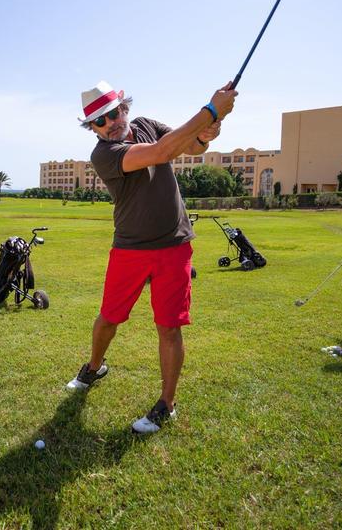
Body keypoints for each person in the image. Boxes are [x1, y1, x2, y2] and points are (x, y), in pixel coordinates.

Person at [66, 80, 237, 434]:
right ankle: (95, 366)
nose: (110, 123)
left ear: (124, 108)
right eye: (100, 121)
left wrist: (207, 131)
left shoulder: (146, 124)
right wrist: (210, 110)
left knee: (169, 326)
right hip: (130, 249)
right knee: (108, 319)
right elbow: (161, 152)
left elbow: (188, 146)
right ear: (92, 128)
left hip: (175, 245)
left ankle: (166, 404)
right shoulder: (103, 155)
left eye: (114, 113)